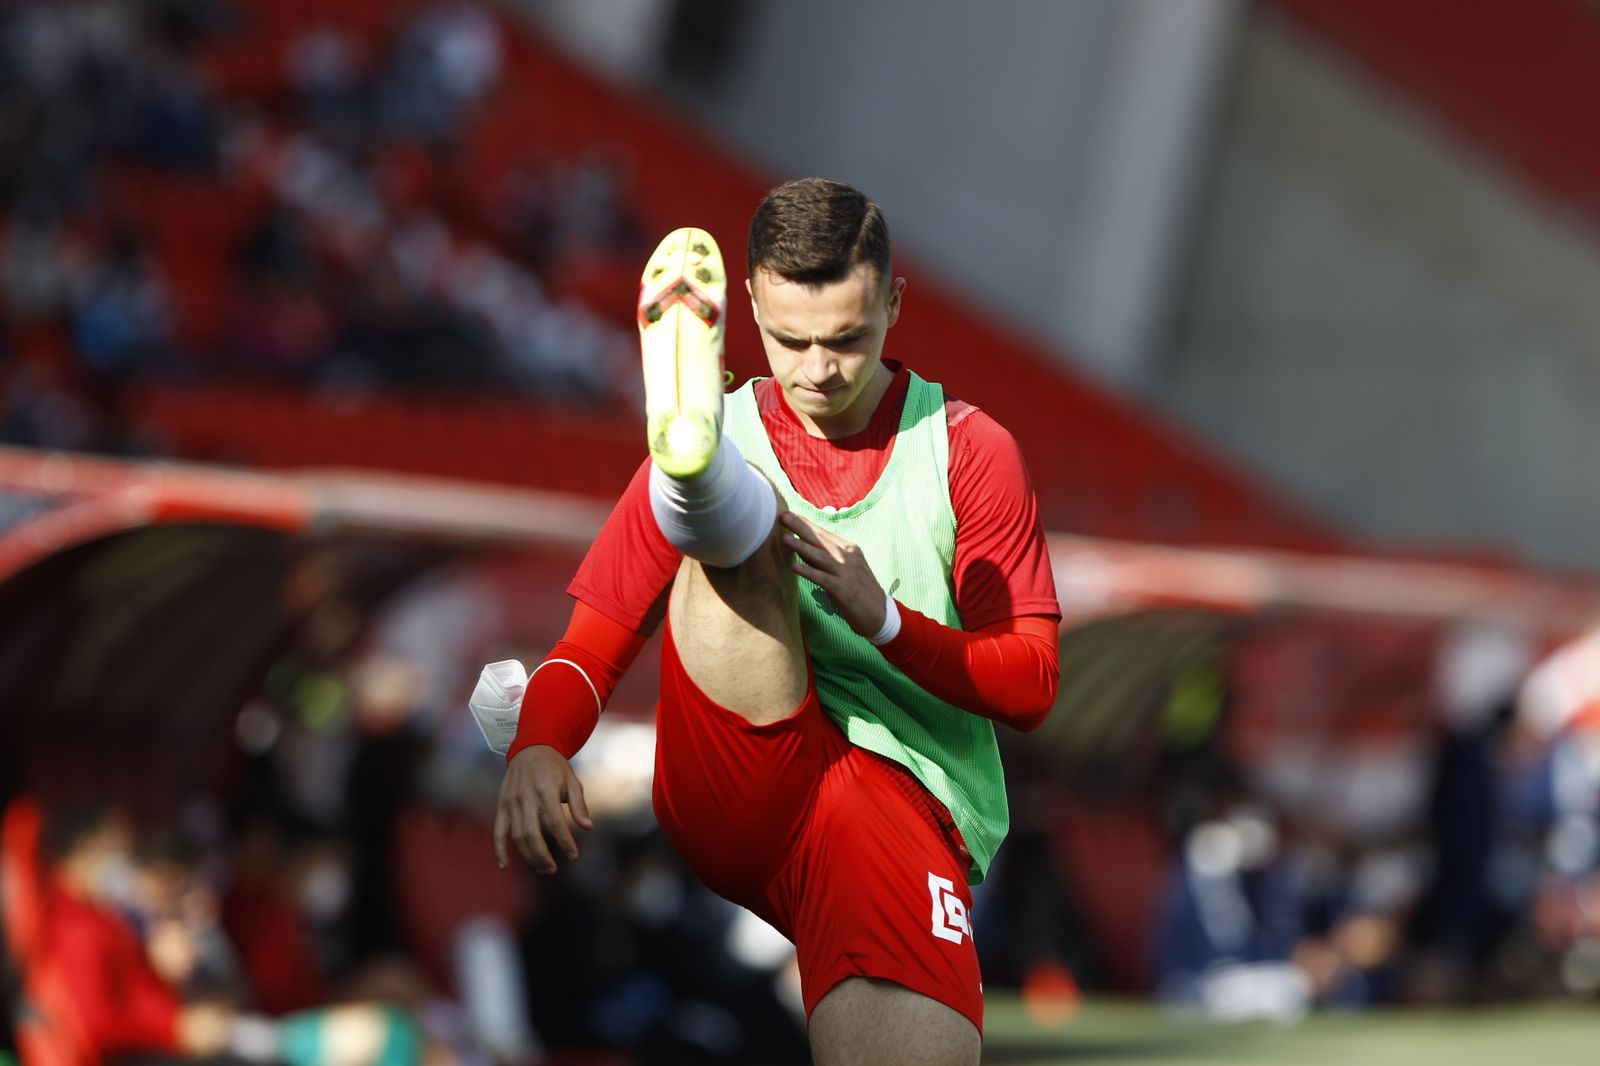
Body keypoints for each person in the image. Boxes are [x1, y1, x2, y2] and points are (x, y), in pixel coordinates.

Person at [491, 177, 1061, 1065]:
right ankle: (699, 484)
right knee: (746, 533)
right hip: (742, 760)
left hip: (894, 806)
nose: (817, 371)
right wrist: (537, 744)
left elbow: (1030, 685)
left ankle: (709, 494)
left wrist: (886, 623)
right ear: (748, 302)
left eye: (847, 339)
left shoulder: (969, 450)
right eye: (789, 339)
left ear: (895, 304)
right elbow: (587, 651)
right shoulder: (730, 425)